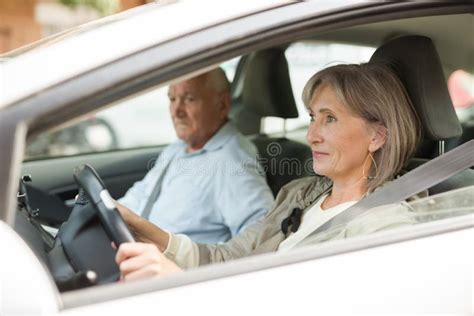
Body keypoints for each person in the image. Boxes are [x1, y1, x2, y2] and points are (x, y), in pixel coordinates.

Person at [114, 63, 422, 281]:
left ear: (377, 136)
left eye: (330, 119)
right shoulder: (301, 194)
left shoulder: (385, 228)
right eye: (313, 117)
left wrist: (178, 281)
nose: (312, 134)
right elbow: (229, 258)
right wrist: (150, 234)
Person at [118, 68, 274, 244]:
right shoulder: (178, 148)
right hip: (132, 249)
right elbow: (141, 196)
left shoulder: (232, 162)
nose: (176, 111)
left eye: (189, 99)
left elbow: (261, 238)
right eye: (172, 99)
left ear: (222, 105)